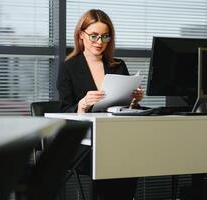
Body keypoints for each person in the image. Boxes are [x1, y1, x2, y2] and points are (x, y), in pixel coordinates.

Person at [57, 9, 144, 199]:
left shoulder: (118, 65)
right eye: (94, 36)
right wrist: (82, 104)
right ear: (81, 35)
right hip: (85, 142)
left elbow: (124, 109)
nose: (99, 42)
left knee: (134, 155)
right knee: (110, 158)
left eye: (105, 37)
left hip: (117, 137)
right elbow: (65, 110)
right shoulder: (69, 68)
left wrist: (134, 101)